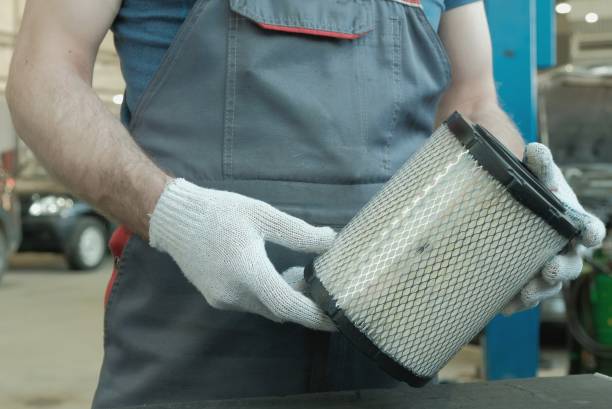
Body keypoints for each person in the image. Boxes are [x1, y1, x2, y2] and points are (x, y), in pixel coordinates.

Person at [7, 0, 605, 408]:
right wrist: (173, 214)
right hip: (187, 337)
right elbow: (43, 73)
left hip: (400, 331)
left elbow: (472, 99)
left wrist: (515, 214)